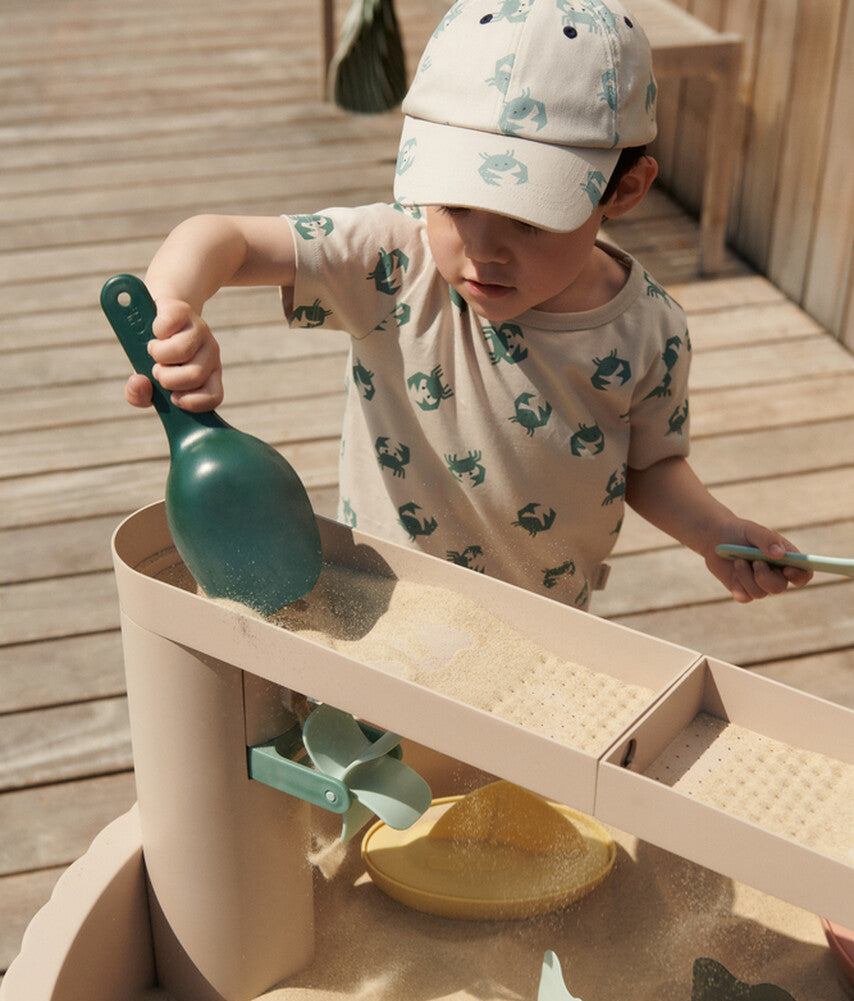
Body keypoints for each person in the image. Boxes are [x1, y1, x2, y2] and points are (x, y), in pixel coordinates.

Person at [124, 0, 812, 609]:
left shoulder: (649, 329)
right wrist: (174, 308)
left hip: (545, 621)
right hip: (380, 603)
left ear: (624, 190)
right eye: (454, 203)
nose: (482, 250)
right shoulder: (394, 260)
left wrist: (715, 532)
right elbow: (222, 238)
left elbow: (650, 466)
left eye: (529, 218)